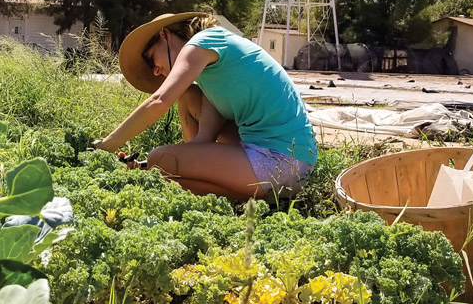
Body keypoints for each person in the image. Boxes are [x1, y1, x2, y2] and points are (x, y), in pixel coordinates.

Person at [93, 12, 317, 201]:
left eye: (151, 59)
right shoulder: (211, 76)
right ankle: (249, 197)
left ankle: (248, 195)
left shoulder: (203, 42)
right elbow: (202, 142)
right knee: (165, 160)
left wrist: (107, 144)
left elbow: (159, 101)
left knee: (159, 159)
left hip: (280, 161)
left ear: (165, 35)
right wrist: (147, 167)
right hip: (289, 166)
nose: (155, 71)